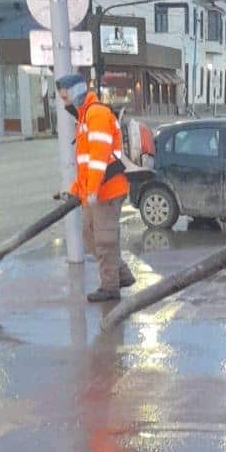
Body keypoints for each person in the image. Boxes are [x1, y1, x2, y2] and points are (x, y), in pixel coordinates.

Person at [56, 72, 129, 305]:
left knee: (104, 240)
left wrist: (94, 190)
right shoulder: (85, 117)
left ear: (76, 92)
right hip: (95, 191)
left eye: (65, 97)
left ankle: (110, 287)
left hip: (107, 190)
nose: (64, 102)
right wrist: (74, 190)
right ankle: (121, 273)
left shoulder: (96, 114)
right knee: (89, 235)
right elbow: (85, 165)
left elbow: (98, 158)